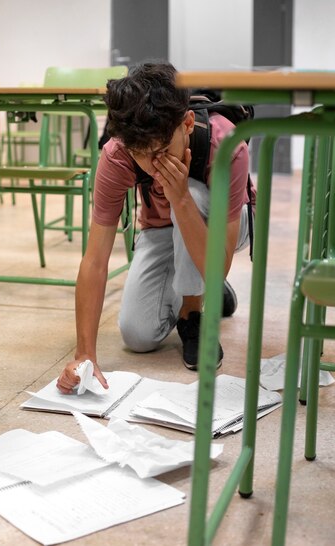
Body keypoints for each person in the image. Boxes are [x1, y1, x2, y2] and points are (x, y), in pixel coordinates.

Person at [57, 61, 254, 394]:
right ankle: (201, 287)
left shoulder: (228, 147)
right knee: (138, 335)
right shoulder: (117, 155)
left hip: (225, 229)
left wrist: (179, 197)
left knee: (190, 193)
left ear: (187, 123)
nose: (152, 164)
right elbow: (95, 260)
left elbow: (218, 265)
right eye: (141, 155)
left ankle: (194, 313)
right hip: (160, 230)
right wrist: (84, 354)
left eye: (161, 151)